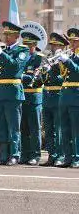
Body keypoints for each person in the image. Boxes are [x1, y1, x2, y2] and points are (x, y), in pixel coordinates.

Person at [0, 21, 29, 166]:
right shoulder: (3, 50)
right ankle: (3, 156)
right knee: (1, 126)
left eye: (9, 34)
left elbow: (14, 66)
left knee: (13, 127)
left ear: (17, 36)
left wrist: (0, 53)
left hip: (12, 93)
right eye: (5, 34)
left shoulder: (23, 51)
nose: (6, 37)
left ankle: (14, 155)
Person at [41, 33, 68, 167]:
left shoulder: (65, 59)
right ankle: (52, 155)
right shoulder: (49, 58)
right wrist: (44, 71)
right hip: (47, 96)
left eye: (56, 45)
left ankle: (60, 156)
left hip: (58, 95)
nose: (53, 47)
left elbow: (63, 78)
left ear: (62, 47)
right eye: (52, 45)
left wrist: (55, 66)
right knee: (49, 129)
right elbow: (43, 80)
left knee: (59, 129)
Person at [56, 27, 79, 168]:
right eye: (70, 41)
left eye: (75, 41)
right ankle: (68, 157)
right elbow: (64, 76)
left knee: (76, 129)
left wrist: (67, 61)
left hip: (76, 94)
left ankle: (77, 157)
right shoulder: (69, 55)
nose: (72, 44)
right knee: (65, 128)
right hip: (64, 95)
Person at [20, 29, 44, 165]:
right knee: (23, 128)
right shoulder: (22, 58)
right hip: (23, 96)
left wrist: (22, 76)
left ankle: (35, 155)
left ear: (34, 45)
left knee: (34, 128)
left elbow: (37, 79)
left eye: (29, 45)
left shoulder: (39, 58)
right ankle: (24, 154)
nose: (27, 48)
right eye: (25, 45)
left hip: (34, 97)